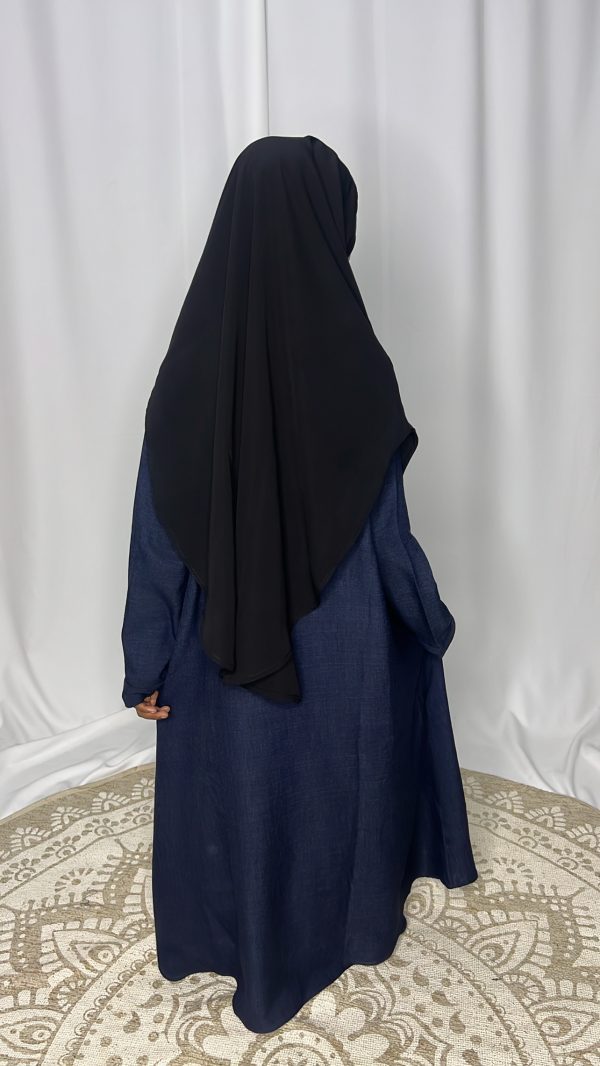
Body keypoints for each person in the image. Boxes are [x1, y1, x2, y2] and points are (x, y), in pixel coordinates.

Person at [121, 134, 478, 1034]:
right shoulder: (360, 372)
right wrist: (427, 620)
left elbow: (157, 534)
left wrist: (146, 661)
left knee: (238, 788)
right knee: (343, 776)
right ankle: (349, 923)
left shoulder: (186, 373)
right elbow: (387, 535)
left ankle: (232, 935)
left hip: (221, 643)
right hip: (345, 636)